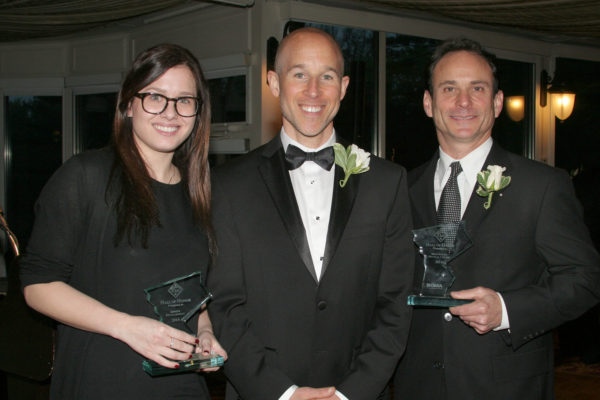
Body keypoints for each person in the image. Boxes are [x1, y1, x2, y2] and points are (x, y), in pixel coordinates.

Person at [208, 27, 414, 400]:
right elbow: (225, 306)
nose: (314, 91)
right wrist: (282, 393)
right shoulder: (228, 185)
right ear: (274, 82)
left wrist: (349, 393)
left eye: (328, 77)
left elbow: (396, 303)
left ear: (345, 86)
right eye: (299, 74)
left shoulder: (387, 182)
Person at [393, 37, 600, 399]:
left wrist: (507, 310)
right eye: (449, 88)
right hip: (418, 385)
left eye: (477, 88)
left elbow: (586, 280)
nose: (463, 102)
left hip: (506, 387)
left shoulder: (542, 185)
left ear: (497, 102)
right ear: (429, 103)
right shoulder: (400, 189)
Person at [19, 43, 226, 399]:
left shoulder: (201, 191)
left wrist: (205, 332)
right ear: (129, 103)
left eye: (184, 101)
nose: (170, 112)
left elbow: (190, 289)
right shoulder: (85, 177)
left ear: (198, 112)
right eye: (155, 97)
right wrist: (126, 327)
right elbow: (38, 286)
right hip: (103, 381)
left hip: (182, 387)